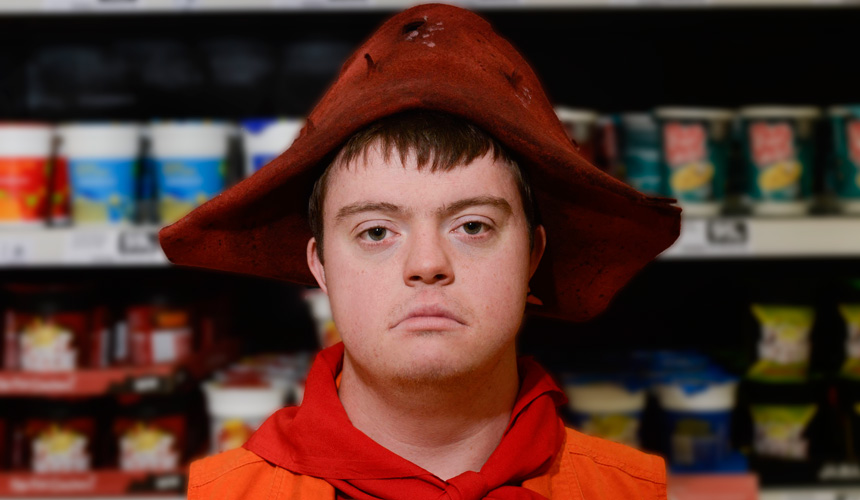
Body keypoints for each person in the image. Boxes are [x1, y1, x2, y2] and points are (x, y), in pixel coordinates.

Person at [160, 3, 680, 499]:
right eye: (376, 232)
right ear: (320, 265)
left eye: (472, 225)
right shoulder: (221, 496)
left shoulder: (635, 492)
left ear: (532, 256)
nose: (427, 264)